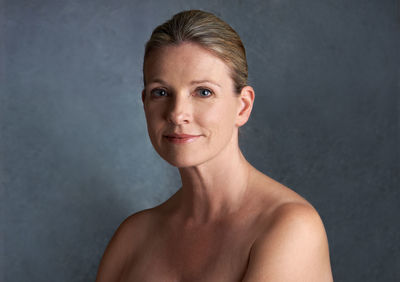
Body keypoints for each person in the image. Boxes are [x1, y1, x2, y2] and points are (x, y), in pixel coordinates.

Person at [96, 10, 333, 282]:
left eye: (203, 92)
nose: (176, 113)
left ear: (242, 107)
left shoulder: (289, 228)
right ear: (145, 102)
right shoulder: (132, 237)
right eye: (160, 93)